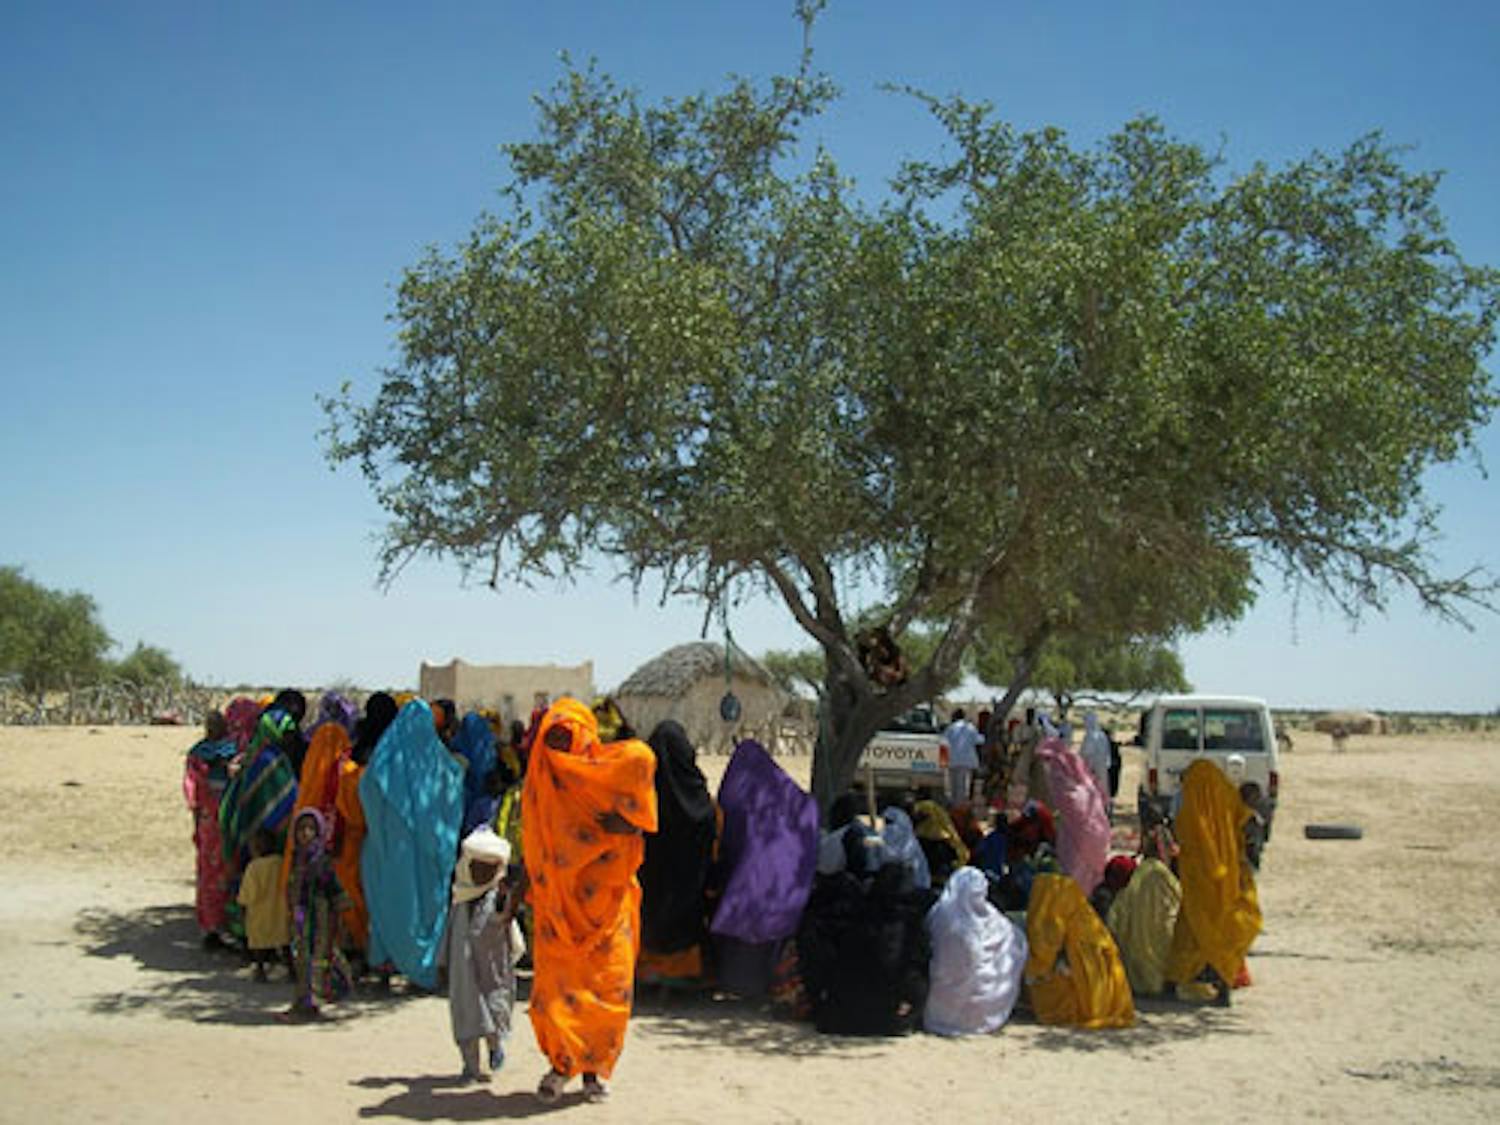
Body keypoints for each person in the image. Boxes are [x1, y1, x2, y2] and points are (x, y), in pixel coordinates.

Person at [522, 698, 657, 1104]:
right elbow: (535, 850)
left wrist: (630, 822)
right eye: (553, 738)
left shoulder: (606, 775)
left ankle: (595, 1072)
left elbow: (641, 760)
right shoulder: (540, 785)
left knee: (608, 988)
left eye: (567, 737)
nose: (560, 747)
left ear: (587, 736)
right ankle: (562, 1064)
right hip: (558, 912)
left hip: (607, 907)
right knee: (555, 994)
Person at [360, 699, 466, 990]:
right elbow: (454, 797)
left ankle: (384, 966)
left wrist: (382, 832)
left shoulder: (383, 760)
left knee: (387, 903)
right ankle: (423, 968)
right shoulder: (441, 765)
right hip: (430, 852)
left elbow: (366, 792)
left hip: (387, 849)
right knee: (425, 909)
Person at [710, 738, 819, 998]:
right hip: (786, 891)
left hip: (746, 886)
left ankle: (734, 984)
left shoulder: (742, 797)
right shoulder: (796, 802)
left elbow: (728, 837)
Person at [1165, 759, 1262, 1007]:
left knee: (1190, 932)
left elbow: (1181, 840)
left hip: (1198, 884)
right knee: (1219, 931)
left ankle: (1172, 983)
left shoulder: (1191, 810)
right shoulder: (1228, 801)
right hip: (1224, 883)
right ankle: (1223, 986)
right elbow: (1245, 828)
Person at [798, 860, 932, 1036]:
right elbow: (918, 969)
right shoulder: (909, 923)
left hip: (839, 1017)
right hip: (885, 1020)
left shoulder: (857, 912)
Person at [637, 720, 720, 989]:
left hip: (650, 880)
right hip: (687, 888)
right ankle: (681, 972)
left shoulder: (641, 793)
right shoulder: (698, 797)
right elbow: (710, 828)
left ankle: (648, 971)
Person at [439, 827, 520, 1083]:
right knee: (467, 1015)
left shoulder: (498, 897)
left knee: (494, 1011)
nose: (482, 873)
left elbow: (506, 922)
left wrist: (506, 896)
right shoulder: (459, 900)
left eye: (489, 868)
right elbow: (449, 934)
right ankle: (470, 1067)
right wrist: (443, 963)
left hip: (492, 969)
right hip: (463, 971)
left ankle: (495, 1047)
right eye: (478, 866)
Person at [923, 867, 1028, 1036]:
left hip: (943, 1008)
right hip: (987, 1010)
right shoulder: (995, 919)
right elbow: (1018, 945)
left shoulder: (941, 914)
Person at [1024, 872, 1135, 1029]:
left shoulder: (1053, 915)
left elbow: (1043, 954)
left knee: (1039, 972)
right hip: (1106, 995)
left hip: (1084, 993)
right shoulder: (1085, 917)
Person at [281, 808, 352, 1022]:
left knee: (316, 960)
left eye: (311, 828)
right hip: (300, 917)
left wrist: (339, 919)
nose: (305, 833)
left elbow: (335, 891)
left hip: (319, 918)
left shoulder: (321, 862)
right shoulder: (297, 859)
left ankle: (311, 1004)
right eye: (301, 828)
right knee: (300, 959)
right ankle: (302, 1001)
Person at [183, 710, 237, 946]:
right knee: (214, 870)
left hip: (215, 816)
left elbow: (192, 789)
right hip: (217, 816)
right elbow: (192, 788)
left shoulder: (210, 752)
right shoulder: (216, 752)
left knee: (219, 869)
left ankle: (219, 925)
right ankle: (214, 926)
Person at [1036, 732, 1110, 896]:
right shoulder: (1082, 781)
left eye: (1048, 759)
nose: (1046, 765)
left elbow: (1065, 804)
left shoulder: (1063, 782)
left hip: (1080, 841)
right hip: (1092, 836)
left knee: (1075, 881)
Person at [1106, 856, 1182, 995]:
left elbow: (1114, 925)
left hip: (1136, 969)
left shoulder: (1128, 897)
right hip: (1173, 961)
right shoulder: (1167, 886)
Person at [237, 828, 290, 983]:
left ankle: (260, 970)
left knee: (259, 945)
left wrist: (242, 906)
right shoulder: (280, 862)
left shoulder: (254, 868)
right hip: (280, 912)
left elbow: (249, 893)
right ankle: (292, 970)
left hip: (260, 914)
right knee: (284, 942)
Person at [942, 709, 983, 806]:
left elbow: (943, 744)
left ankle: (954, 806)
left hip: (953, 761)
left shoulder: (950, 728)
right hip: (967, 762)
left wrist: (943, 763)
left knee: (953, 786)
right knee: (964, 787)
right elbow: (979, 740)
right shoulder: (970, 728)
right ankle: (960, 807)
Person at [1079, 712, 1113, 819]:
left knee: (1092, 790)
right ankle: (1106, 810)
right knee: (1104, 789)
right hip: (1103, 766)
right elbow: (1108, 752)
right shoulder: (1102, 735)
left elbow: (1085, 753)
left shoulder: (1089, 736)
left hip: (1092, 768)